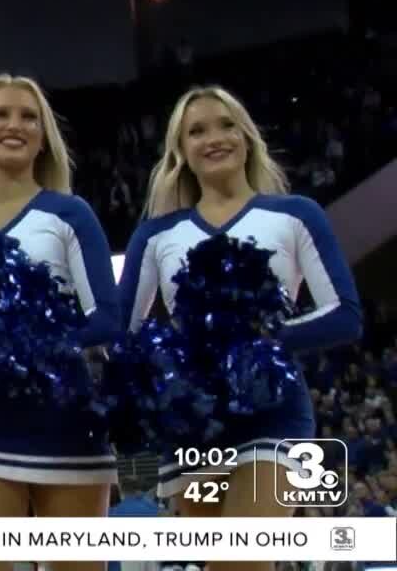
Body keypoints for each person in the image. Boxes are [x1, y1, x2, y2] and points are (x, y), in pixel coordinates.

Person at [119, 85, 362, 571]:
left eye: (227, 124)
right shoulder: (156, 234)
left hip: (274, 415)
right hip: (192, 428)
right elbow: (124, 335)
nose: (214, 138)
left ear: (248, 137)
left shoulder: (295, 215)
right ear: (181, 151)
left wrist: (257, 341)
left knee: (241, 560)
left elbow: (345, 314)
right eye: (197, 131)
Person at [0, 75, 120, 571]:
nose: (14, 125)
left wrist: (36, 346)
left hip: (67, 423)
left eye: (28, 116)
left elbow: (108, 317)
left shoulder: (69, 214)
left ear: (42, 137)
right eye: (0, 114)